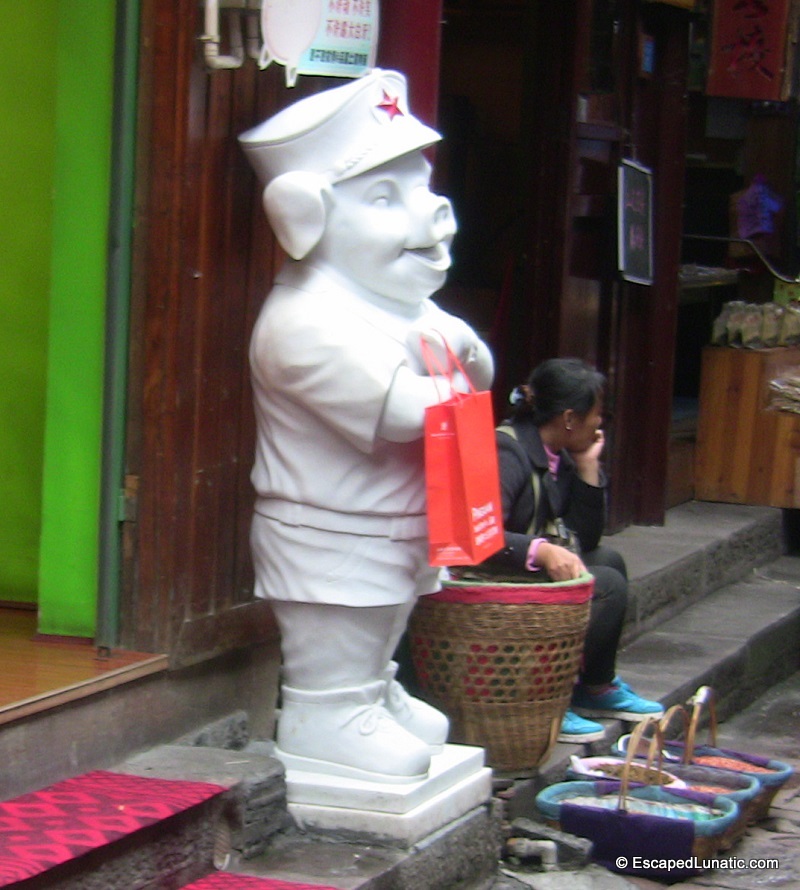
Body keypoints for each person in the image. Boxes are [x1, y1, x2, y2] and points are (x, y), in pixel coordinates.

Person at [239, 70, 494, 783]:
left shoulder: (400, 304)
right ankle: (329, 710)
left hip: (399, 520)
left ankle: (373, 692)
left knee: (388, 612)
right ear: (304, 215)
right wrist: (457, 367)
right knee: (342, 621)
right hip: (333, 527)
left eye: (419, 188)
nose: (429, 213)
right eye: (385, 198)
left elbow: (479, 367)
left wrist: (460, 359)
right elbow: (410, 412)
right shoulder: (304, 322)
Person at [485, 357, 663, 743]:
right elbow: (482, 536)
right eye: (597, 414)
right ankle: (543, 698)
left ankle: (594, 686)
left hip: (525, 574)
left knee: (607, 561)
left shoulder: (559, 454)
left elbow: (587, 539)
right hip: (494, 580)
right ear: (569, 418)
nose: (600, 423)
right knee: (606, 584)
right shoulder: (507, 452)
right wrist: (540, 551)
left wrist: (586, 467)